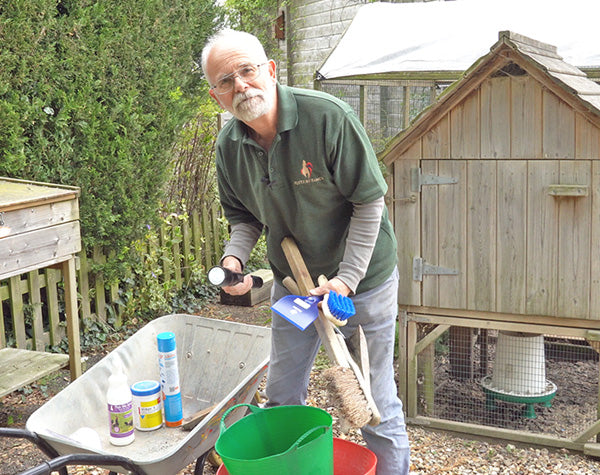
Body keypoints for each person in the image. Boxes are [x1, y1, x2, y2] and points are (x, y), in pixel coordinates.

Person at [201, 29, 410, 475]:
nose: (240, 85)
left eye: (247, 70)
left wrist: (346, 280)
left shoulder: (327, 118)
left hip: (362, 283)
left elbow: (369, 201)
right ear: (215, 93)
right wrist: (234, 259)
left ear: (270, 71)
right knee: (281, 396)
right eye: (225, 80)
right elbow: (244, 218)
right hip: (294, 284)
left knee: (376, 402)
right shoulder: (228, 147)